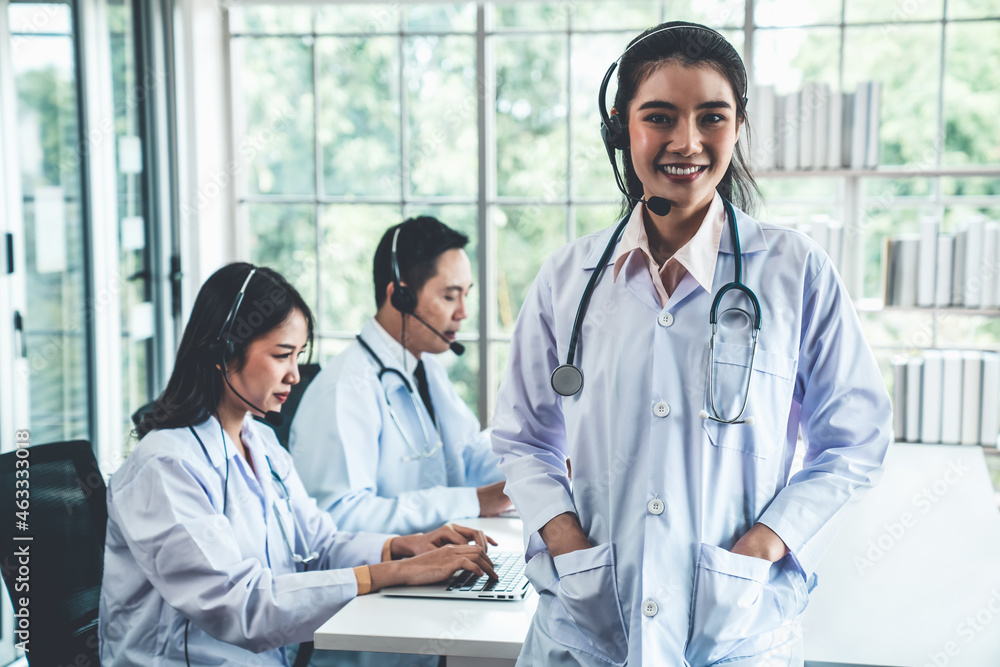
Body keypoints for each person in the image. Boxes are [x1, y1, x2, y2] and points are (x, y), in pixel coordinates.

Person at [491, 21, 892, 667]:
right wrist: (562, 537)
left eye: (712, 117)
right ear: (621, 128)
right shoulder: (568, 280)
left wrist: (767, 540)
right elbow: (522, 436)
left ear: (738, 127)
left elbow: (855, 437)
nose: (688, 141)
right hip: (585, 630)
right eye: (660, 117)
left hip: (732, 631)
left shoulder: (794, 270)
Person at [100, 263, 497, 667]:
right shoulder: (164, 465)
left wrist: (400, 548)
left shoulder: (262, 443)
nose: (294, 374)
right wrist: (391, 574)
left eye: (299, 355)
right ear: (223, 352)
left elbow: (320, 546)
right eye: (281, 355)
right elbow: (240, 606)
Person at [290, 216, 510, 538]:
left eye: (466, 294)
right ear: (400, 297)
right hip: (374, 583)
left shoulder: (425, 368)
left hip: (436, 566)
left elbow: (466, 459)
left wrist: (543, 451)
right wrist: (474, 501)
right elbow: (338, 515)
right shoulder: (346, 386)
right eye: (450, 296)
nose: (463, 312)